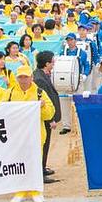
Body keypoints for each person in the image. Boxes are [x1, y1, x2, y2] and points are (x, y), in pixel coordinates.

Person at [5, 65, 55, 202]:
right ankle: (19, 191)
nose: (23, 80)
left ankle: (36, 191)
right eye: (20, 77)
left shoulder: (40, 92)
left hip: (36, 134)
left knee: (34, 163)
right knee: (18, 163)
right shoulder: (9, 94)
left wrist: (43, 106)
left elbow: (49, 114)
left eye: (26, 77)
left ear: (31, 78)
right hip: (16, 135)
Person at [32, 51, 63, 179]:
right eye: (52, 61)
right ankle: (40, 171)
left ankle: (43, 167)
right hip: (45, 118)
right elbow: (44, 100)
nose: (54, 63)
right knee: (43, 143)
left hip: (47, 116)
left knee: (46, 143)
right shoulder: (39, 79)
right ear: (46, 63)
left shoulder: (43, 75)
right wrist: (51, 119)